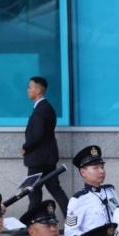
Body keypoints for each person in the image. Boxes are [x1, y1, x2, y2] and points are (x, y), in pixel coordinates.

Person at [64, 145, 119, 236]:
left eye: (102, 167)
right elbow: (70, 232)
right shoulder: (79, 200)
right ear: (83, 172)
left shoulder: (110, 191)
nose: (101, 171)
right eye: (95, 168)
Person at [23, 76, 69, 217]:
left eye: (30, 87)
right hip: (47, 157)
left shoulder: (41, 109)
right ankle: (72, 219)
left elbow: (38, 134)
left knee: (33, 191)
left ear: (38, 90)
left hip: (39, 158)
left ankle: (30, 222)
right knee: (54, 188)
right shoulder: (46, 107)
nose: (28, 90)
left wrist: (26, 147)